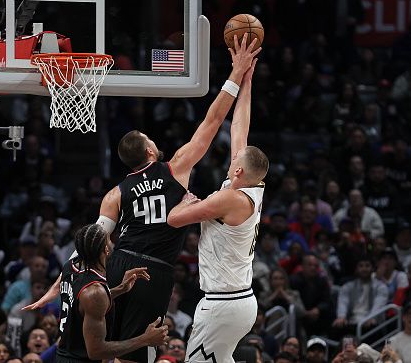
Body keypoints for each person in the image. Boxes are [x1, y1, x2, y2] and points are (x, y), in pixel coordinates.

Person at [30, 34, 261, 363]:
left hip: (118, 267)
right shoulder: (176, 167)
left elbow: (91, 243)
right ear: (150, 150)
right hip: (152, 272)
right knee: (139, 352)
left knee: (111, 347)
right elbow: (213, 120)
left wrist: (58, 284)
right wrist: (236, 73)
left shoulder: (115, 193)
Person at [167, 43, 268, 363]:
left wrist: (186, 201)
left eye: (235, 157)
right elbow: (241, 126)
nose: (232, 151)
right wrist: (245, 79)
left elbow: (173, 219)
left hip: (223, 303)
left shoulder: (228, 198)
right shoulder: (250, 186)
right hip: (238, 300)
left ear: (238, 169)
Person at [57, 224, 168, 362]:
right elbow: (96, 351)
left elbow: (82, 305)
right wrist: (145, 339)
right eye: (109, 239)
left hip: (63, 355)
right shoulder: (95, 292)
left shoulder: (70, 267)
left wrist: (120, 289)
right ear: (106, 250)